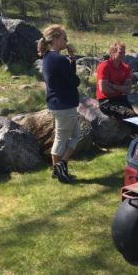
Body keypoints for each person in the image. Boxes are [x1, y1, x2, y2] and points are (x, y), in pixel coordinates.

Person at [38, 24, 81, 183]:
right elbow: (74, 81)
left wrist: (72, 60)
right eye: (64, 38)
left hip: (59, 104)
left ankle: (60, 165)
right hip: (64, 105)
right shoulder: (58, 59)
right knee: (61, 139)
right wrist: (70, 63)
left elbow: (68, 77)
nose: (66, 40)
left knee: (77, 135)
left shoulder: (48, 57)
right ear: (55, 39)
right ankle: (58, 170)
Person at [96, 42, 137, 119]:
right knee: (130, 115)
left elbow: (128, 89)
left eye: (124, 53)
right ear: (112, 53)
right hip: (106, 102)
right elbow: (104, 89)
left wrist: (112, 86)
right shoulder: (104, 66)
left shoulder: (126, 67)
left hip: (121, 99)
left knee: (136, 118)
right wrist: (121, 89)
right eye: (120, 53)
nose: (123, 55)